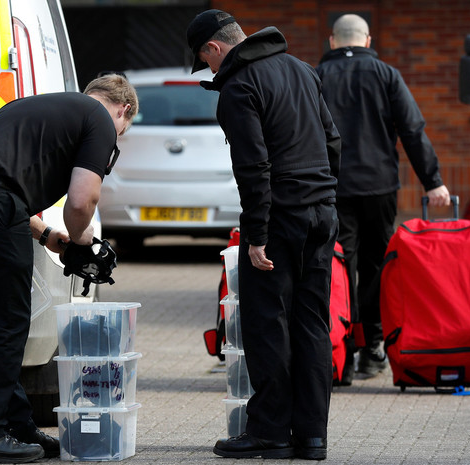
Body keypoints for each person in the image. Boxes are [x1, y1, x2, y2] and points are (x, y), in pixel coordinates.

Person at [0, 75, 138, 464]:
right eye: (121, 130)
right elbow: (82, 200)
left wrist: (48, 235)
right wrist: (81, 241)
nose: (115, 136)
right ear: (123, 110)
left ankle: (15, 425)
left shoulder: (42, 107)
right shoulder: (99, 119)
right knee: (5, 322)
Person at [187, 9, 341, 461]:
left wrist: (256, 235)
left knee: (267, 324)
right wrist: (327, 198)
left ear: (214, 47)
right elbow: (332, 140)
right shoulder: (302, 70)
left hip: (280, 219)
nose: (209, 70)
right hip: (322, 212)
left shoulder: (238, 88)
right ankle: (312, 437)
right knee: (313, 324)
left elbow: (253, 168)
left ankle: (271, 432)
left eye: (205, 60)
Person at [316, 14, 450, 382]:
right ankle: (373, 350)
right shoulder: (387, 75)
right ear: (368, 40)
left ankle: (340, 351)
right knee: (377, 266)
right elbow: (412, 129)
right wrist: (432, 181)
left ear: (333, 41)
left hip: (331, 188)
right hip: (379, 186)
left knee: (337, 265)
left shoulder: (316, 76)